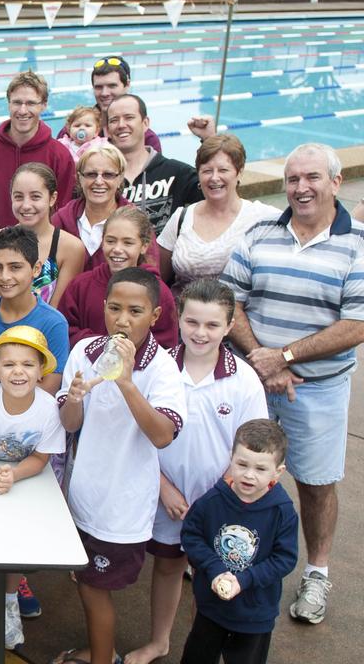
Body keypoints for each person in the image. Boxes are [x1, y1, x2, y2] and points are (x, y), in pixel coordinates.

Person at [219, 142, 364, 625]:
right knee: (236, 472)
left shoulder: (358, 242)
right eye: (293, 179)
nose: (301, 188)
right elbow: (228, 300)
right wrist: (266, 363)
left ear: (336, 182)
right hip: (254, 382)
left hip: (317, 389)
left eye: (312, 178)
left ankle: (317, 572)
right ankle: (234, 560)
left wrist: (284, 356)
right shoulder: (261, 232)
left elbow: (357, 324)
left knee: (316, 484)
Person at [122, 280, 268, 664]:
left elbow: (254, 449)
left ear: (230, 324)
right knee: (168, 567)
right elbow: (135, 435)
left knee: (212, 577)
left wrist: (221, 496)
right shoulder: (157, 367)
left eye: (212, 325)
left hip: (221, 500)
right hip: (169, 498)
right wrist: (163, 487)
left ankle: (203, 650)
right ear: (177, 318)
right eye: (192, 322)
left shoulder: (244, 380)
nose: (200, 333)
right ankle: (160, 641)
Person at [55, 267, 186, 664]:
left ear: (155, 316)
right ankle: (100, 648)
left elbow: (163, 434)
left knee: (95, 589)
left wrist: (127, 382)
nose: (122, 320)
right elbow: (69, 425)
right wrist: (74, 399)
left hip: (123, 508)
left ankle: (101, 658)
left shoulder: (162, 367)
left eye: (135, 311)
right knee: (84, 581)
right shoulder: (85, 352)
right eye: (114, 308)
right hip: (83, 497)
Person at [0, 325, 65, 649]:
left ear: (40, 371)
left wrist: (13, 476)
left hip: (26, 483)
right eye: (8, 364)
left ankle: (11, 595)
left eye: (28, 364)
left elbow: (40, 458)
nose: (18, 372)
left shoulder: (49, 409)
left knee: (18, 544)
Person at [179, 419, 298, 664]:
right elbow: (191, 535)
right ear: (230, 458)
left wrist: (244, 580)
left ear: (278, 471)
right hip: (211, 608)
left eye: (261, 469)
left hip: (256, 614)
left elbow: (284, 559)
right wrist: (215, 569)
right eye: (241, 464)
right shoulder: (212, 501)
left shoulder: (282, 511)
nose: (249, 475)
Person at [158, 135, 279, 294]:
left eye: (223, 170)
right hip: (183, 316)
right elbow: (157, 278)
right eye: (207, 171)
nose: (214, 178)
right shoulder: (182, 217)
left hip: (236, 316)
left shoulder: (261, 216)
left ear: (239, 172)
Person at [0, 226, 69, 394]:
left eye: (15, 267)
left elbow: (48, 389)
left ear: (36, 269)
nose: (5, 276)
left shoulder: (53, 323)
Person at [56, 206, 177, 349]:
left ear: (144, 246)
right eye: (111, 241)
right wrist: (102, 345)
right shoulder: (81, 285)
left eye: (128, 243)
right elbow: (63, 332)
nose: (117, 249)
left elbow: (166, 344)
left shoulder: (158, 291)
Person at [0, 71, 76, 231]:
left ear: (44, 105)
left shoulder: (60, 156)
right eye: (17, 102)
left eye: (31, 103)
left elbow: (64, 212)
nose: (23, 110)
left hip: (42, 250)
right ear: (8, 104)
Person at [0, 163, 86, 306]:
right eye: (18, 197)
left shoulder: (71, 248)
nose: (26, 205)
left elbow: (57, 311)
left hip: (46, 328)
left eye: (35, 197)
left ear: (52, 198)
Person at [105, 94, 202, 232]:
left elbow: (219, 196)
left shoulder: (175, 172)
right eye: (114, 120)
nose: (121, 125)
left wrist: (209, 139)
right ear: (108, 129)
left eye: (129, 117)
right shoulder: (100, 177)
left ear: (145, 124)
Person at [53, 142, 149, 269]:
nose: (99, 181)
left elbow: (150, 275)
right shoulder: (60, 220)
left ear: (120, 179)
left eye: (108, 175)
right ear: (79, 178)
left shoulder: (137, 222)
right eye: (91, 174)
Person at [84, 56, 163, 151]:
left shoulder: (147, 139)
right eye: (98, 87)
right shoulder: (75, 129)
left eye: (112, 86)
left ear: (127, 84)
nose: (104, 93)